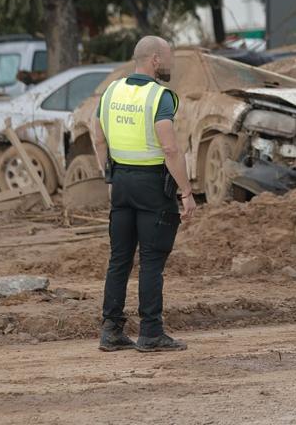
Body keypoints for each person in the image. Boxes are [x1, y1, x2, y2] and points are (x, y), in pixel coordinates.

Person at [91, 35, 197, 353]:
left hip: (121, 182)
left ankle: (111, 331)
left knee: (119, 260)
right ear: (154, 60)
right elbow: (169, 147)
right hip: (152, 186)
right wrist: (187, 192)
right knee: (151, 262)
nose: (171, 63)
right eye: (168, 57)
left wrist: (108, 175)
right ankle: (150, 333)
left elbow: (97, 136)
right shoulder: (159, 97)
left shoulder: (111, 91)